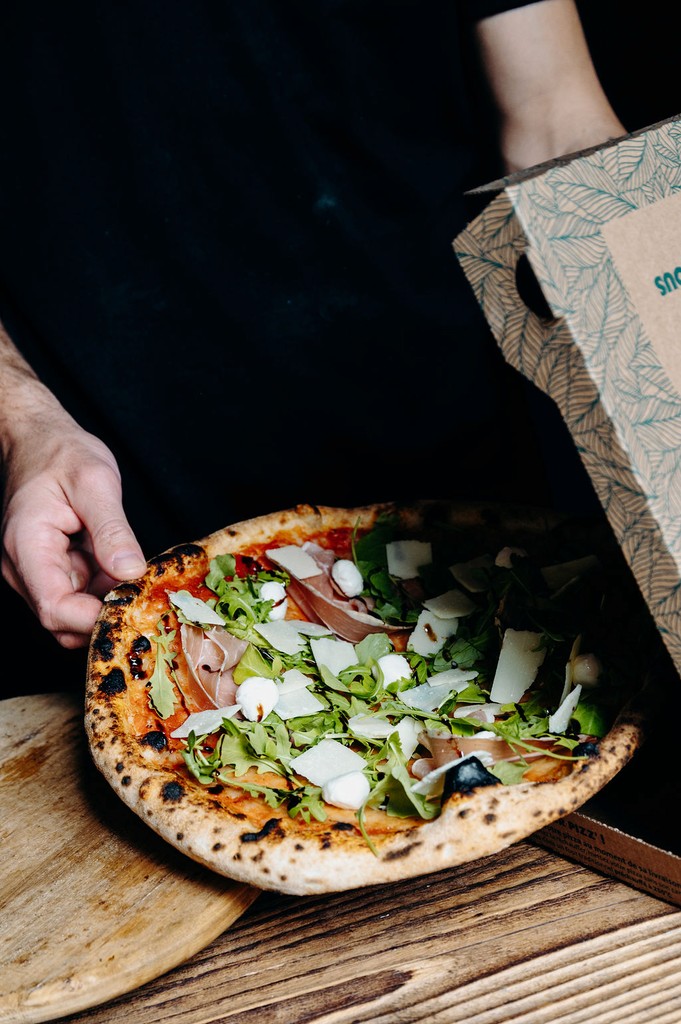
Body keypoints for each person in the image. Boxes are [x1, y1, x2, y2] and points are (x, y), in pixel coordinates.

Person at [0, 0, 627, 690]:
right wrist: (17, 420)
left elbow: (555, 120)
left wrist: (658, 332)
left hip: (463, 472)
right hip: (114, 495)